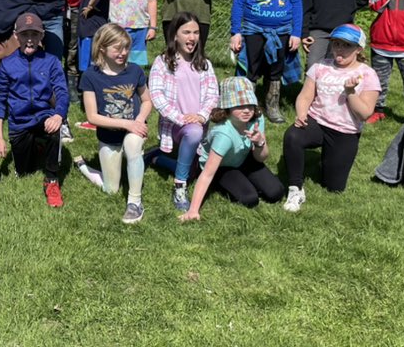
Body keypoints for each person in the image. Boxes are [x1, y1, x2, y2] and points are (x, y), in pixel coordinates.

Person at [281, 24, 380, 212]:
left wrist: (350, 92)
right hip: (317, 121)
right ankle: (295, 189)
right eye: (336, 44)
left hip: (345, 131)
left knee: (334, 187)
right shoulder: (320, 66)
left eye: (346, 45)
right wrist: (302, 113)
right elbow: (305, 96)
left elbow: (365, 113)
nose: (339, 49)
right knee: (293, 136)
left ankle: (327, 159)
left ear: (359, 49)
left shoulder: (368, 74)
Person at [74, 24, 152, 223]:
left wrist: (139, 121)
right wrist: (127, 124)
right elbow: (92, 117)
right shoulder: (91, 76)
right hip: (109, 136)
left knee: (132, 144)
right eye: (117, 48)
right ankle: (83, 166)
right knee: (111, 190)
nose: (123, 53)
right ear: (102, 48)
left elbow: (147, 101)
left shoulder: (134, 71)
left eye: (126, 47)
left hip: (133, 129)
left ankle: (135, 203)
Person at [179, 77, 284, 222]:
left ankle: (245, 179)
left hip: (244, 157)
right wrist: (193, 210)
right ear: (227, 108)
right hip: (222, 166)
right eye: (239, 106)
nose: (247, 110)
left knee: (276, 193)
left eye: (250, 105)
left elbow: (261, 157)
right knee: (250, 199)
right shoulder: (223, 134)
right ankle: (219, 184)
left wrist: (260, 142)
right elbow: (208, 173)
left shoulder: (257, 120)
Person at [0, 13, 69, 208]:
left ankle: (51, 180)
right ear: (16, 36)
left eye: (34, 34)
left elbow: (62, 91)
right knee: (24, 171)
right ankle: (35, 146)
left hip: (44, 115)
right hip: (20, 121)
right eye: (25, 34)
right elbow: (0, 100)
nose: (29, 39)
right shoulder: (7, 64)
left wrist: (59, 114)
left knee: (53, 130)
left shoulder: (51, 61)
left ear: (42, 36)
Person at [147, 12, 219, 212]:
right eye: (186, 32)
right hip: (176, 124)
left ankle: (156, 158)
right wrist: (181, 118)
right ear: (175, 36)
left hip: (199, 121)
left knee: (195, 171)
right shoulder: (162, 62)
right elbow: (157, 95)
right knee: (193, 133)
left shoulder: (204, 64)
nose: (192, 37)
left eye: (195, 32)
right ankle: (180, 187)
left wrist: (202, 115)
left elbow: (213, 94)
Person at [229, 0, 302, 124]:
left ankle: (272, 106)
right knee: (251, 70)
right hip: (254, 30)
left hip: (282, 31)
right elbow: (238, 3)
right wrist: (236, 32)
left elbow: (296, 3)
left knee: (275, 69)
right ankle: (248, 106)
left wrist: (296, 33)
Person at [71, 0, 112, 130]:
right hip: (85, 26)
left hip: (94, 25)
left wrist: (91, 4)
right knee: (86, 69)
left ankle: (95, 116)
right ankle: (95, 115)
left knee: (92, 71)